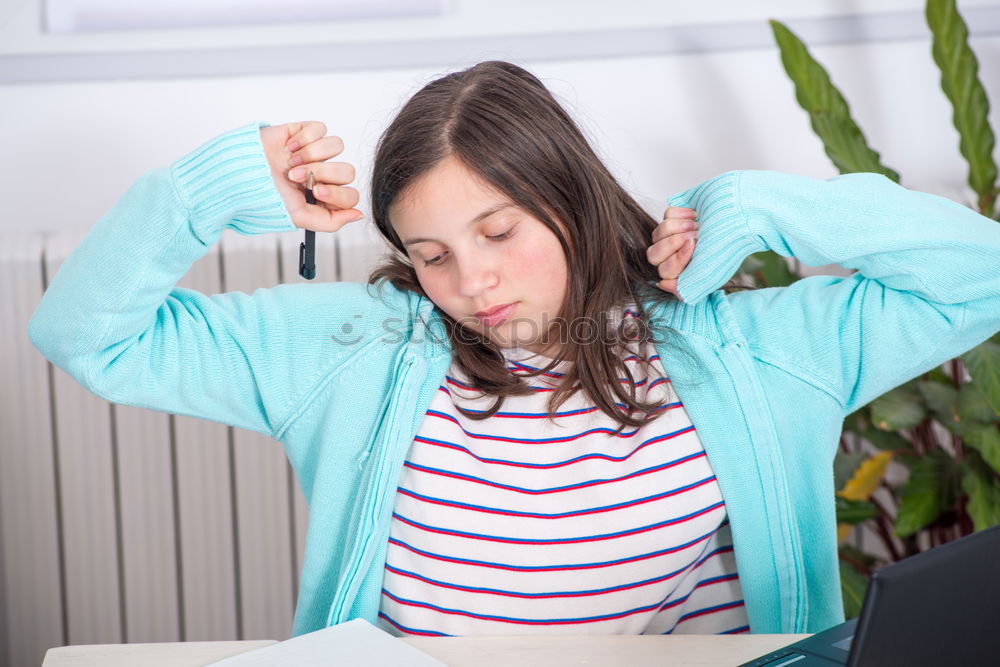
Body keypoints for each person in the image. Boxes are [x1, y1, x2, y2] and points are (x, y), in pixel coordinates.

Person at [28, 61, 1000, 639]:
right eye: (434, 254)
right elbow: (85, 336)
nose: (473, 285)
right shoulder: (352, 348)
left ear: (570, 197)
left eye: (499, 233)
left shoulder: (751, 348)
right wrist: (208, 192)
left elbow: (983, 275)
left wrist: (776, 204)